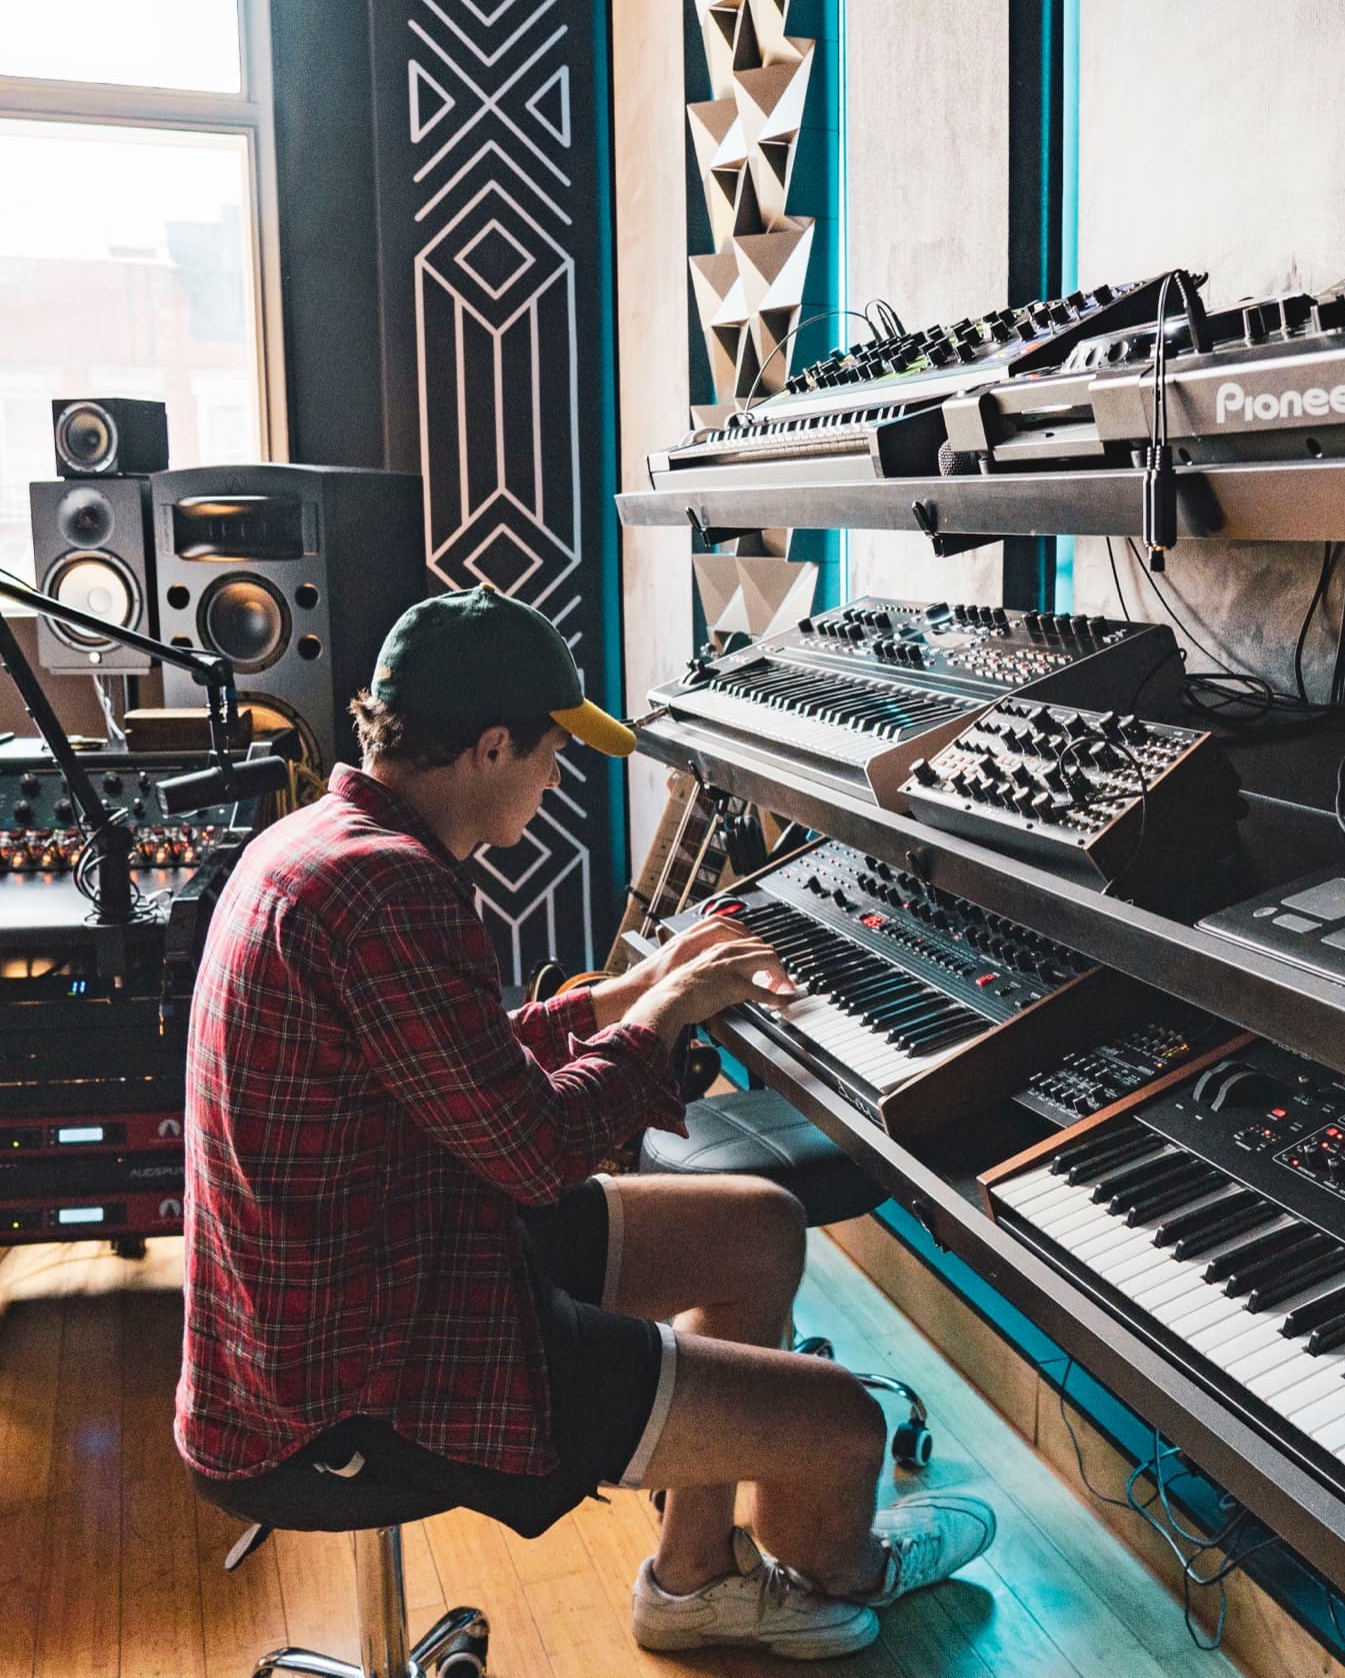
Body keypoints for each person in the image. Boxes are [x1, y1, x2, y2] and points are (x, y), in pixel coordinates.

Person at [176, 586, 994, 1660]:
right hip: (363, 1374)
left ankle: (695, 1581)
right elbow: (531, 1154)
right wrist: (662, 1018)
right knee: (846, 1425)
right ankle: (847, 1570)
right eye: (555, 752)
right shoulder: (390, 890)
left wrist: (622, 993)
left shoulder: (324, 842)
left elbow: (454, 1064)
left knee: (760, 1226)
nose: (560, 779)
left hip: (387, 1263)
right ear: (493, 745)